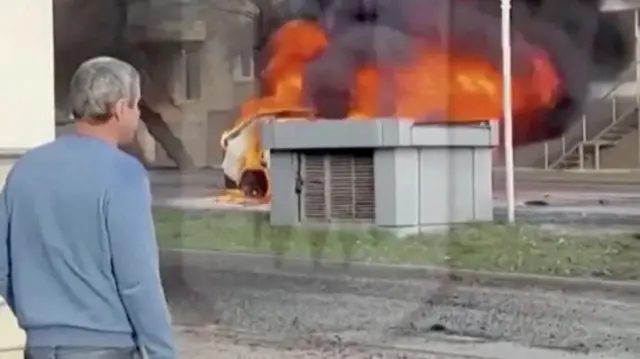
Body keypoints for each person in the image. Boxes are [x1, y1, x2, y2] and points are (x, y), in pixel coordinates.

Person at [0, 57, 175, 359]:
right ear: (121, 108)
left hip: (39, 347)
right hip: (107, 348)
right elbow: (138, 281)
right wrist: (162, 352)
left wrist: (42, 325)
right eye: (136, 105)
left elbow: (3, 268)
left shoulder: (24, 169)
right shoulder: (124, 174)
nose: (136, 114)